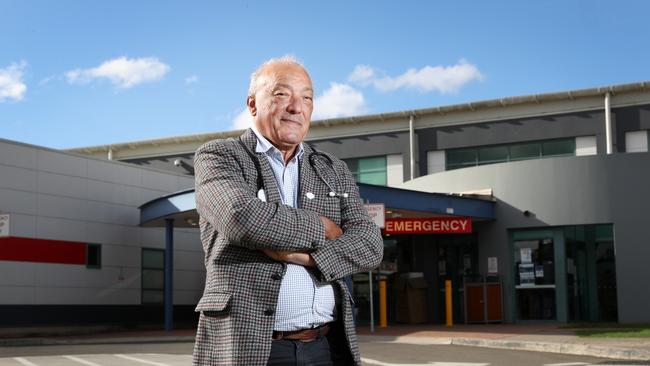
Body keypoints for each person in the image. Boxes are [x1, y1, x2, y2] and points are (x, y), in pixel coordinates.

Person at [192, 56, 384, 365]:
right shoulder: (220, 156)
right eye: (282, 94)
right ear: (253, 104)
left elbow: (371, 244)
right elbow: (241, 218)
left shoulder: (332, 168)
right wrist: (322, 227)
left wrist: (307, 257)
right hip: (251, 346)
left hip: (325, 345)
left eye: (306, 97)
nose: (296, 106)